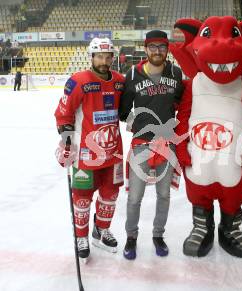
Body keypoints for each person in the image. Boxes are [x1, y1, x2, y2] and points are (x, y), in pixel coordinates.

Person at [54, 37, 125, 263]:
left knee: (110, 195)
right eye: (99, 56)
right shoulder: (78, 81)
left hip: (113, 151)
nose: (104, 61)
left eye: (108, 56)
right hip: (86, 153)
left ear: (112, 58)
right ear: (91, 57)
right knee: (82, 198)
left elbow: (127, 110)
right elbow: (63, 113)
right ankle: (81, 236)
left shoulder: (120, 81)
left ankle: (101, 231)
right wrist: (66, 138)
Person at [118, 30, 183, 260]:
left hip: (166, 144)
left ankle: (158, 235)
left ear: (167, 49)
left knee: (163, 195)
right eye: (153, 47)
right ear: (145, 49)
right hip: (141, 145)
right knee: (135, 197)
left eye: (162, 47)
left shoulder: (175, 72)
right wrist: (135, 120)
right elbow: (124, 110)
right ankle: (131, 237)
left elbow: (182, 102)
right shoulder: (133, 74)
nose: (157, 51)